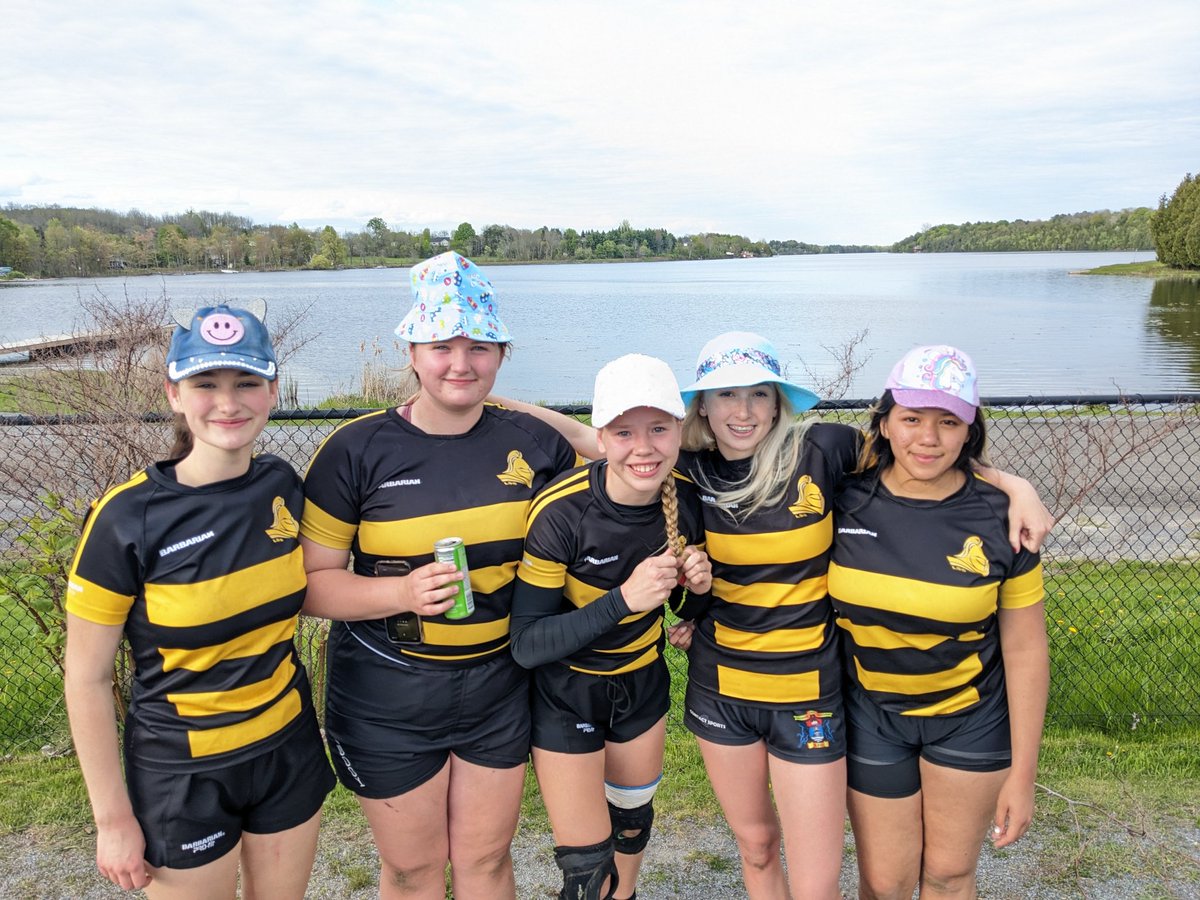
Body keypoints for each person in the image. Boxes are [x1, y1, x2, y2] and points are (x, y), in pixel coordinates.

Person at [495, 332, 1053, 899]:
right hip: (723, 690)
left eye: (759, 394)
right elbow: (593, 437)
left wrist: (1013, 484)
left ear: (778, 401)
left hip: (808, 691)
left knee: (818, 884)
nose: (743, 411)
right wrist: (497, 402)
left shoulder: (826, 450)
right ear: (702, 408)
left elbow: (917, 451)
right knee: (758, 849)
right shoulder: (680, 466)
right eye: (726, 395)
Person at [299, 251, 578, 900]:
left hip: (498, 686)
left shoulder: (534, 444)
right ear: (413, 352)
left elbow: (612, 451)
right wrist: (400, 592)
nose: (461, 363)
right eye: (442, 345)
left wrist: (520, 409)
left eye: (480, 347)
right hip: (387, 694)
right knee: (414, 871)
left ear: (503, 354)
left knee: (485, 863)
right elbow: (311, 584)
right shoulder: (355, 450)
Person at [63, 303, 335, 898]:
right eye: (205, 384)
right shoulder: (124, 519)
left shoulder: (281, 484)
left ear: (273, 390)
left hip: (286, 746)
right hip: (182, 772)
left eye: (246, 383)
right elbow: (84, 679)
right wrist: (112, 821)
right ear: (173, 393)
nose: (228, 402)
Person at [827, 345, 1049, 900]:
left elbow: (1025, 652)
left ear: (969, 431)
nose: (928, 438)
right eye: (912, 419)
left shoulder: (1001, 518)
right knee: (884, 882)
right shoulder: (843, 497)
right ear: (884, 422)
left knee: (948, 875)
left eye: (948, 422)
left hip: (968, 718)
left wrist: (1022, 776)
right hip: (873, 715)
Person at [509, 353, 713, 900]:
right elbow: (527, 644)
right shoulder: (561, 513)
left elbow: (682, 617)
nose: (643, 448)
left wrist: (697, 591)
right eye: (624, 432)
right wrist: (622, 600)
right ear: (601, 436)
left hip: (641, 687)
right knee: (586, 869)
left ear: (678, 432)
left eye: (658, 429)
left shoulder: (688, 500)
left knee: (631, 824)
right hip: (566, 694)